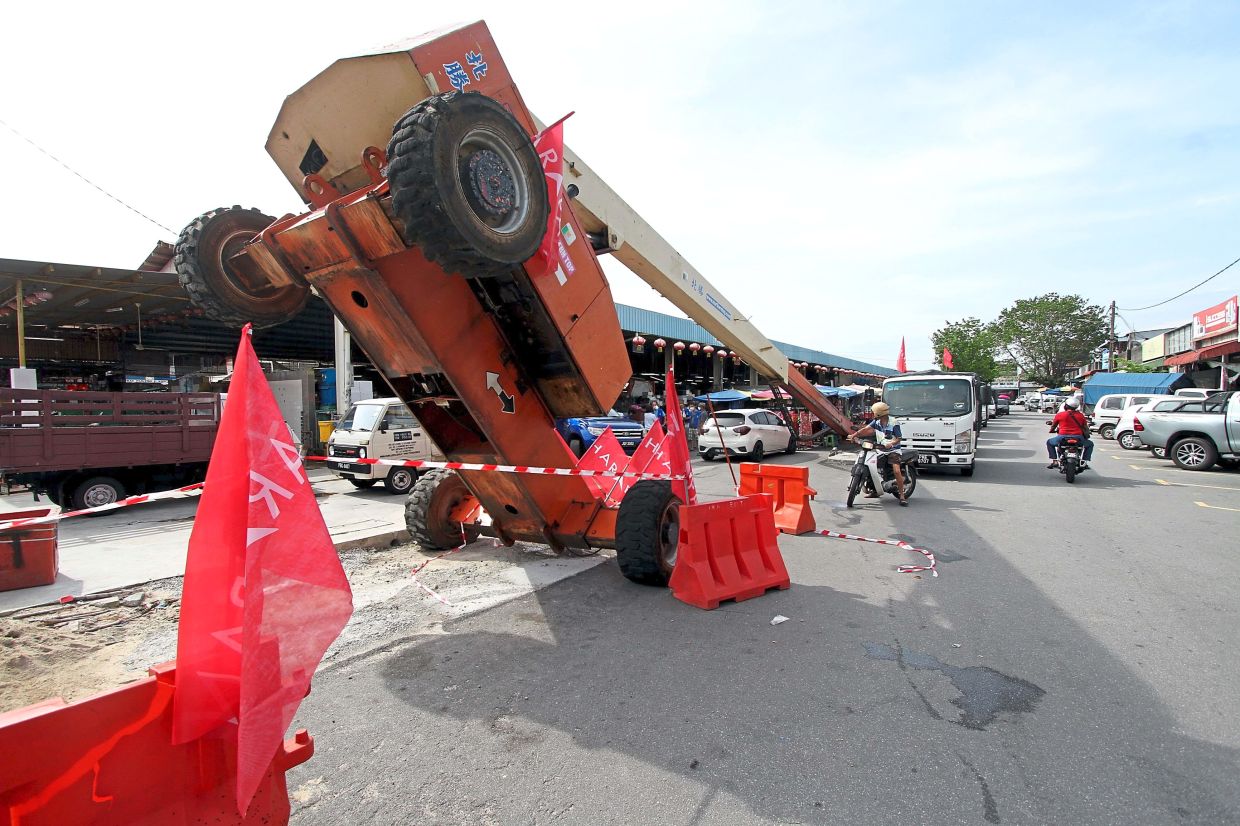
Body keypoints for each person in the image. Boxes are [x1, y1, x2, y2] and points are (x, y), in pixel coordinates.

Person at [848, 401, 909, 506]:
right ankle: (875, 491)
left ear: (878, 413)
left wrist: (892, 443)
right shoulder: (876, 422)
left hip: (893, 451)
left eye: (874, 412)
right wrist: (854, 435)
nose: (873, 414)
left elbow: (899, 438)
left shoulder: (894, 423)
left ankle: (902, 496)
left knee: (897, 471)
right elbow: (865, 429)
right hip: (880, 449)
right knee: (872, 468)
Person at [1046, 397, 1093, 469]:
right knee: (1090, 444)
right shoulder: (1081, 415)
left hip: (1062, 437)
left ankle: (1055, 461)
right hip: (1078, 438)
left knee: (1049, 442)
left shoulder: (1060, 415)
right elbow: (1085, 427)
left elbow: (1054, 425)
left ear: (1066, 406)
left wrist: (1051, 430)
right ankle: (1084, 461)